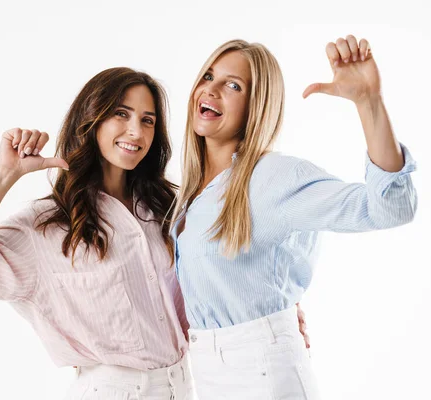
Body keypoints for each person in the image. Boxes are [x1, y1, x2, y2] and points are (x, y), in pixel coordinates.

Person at [172, 36, 417, 399]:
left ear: (256, 106)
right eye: (208, 76)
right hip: (206, 374)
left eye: (233, 85)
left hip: (262, 373)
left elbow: (388, 208)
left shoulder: (273, 178)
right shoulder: (187, 197)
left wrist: (369, 103)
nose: (211, 90)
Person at [0, 67, 195, 400]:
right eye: (121, 114)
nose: (136, 131)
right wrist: (4, 174)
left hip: (182, 386)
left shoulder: (163, 210)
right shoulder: (48, 225)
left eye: (148, 120)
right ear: (91, 119)